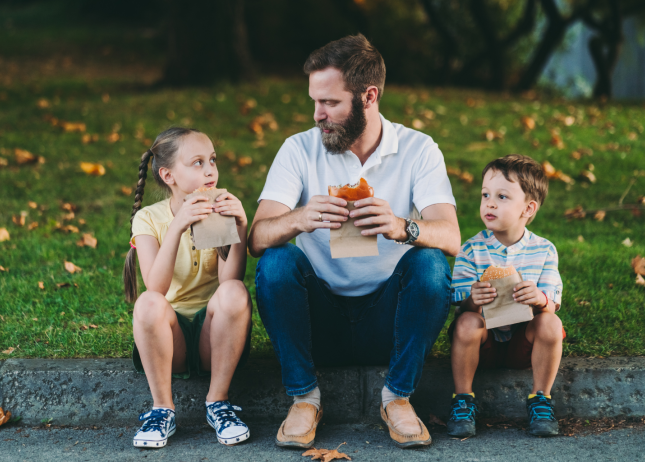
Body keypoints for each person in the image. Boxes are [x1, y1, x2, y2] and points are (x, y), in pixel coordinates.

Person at [249, 34, 460, 449]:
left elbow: (451, 236)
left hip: (390, 320)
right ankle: (304, 398)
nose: (317, 115)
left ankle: (397, 396)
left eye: (330, 103)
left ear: (368, 96)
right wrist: (300, 218)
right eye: (314, 101)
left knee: (431, 264)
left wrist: (402, 227)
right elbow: (256, 238)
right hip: (317, 320)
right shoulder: (298, 149)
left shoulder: (419, 149)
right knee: (276, 261)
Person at [122, 127, 252, 448]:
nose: (210, 170)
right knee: (147, 302)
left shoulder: (218, 207)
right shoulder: (148, 219)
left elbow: (229, 281)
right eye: (197, 163)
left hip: (216, 337)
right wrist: (178, 226)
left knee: (236, 292)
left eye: (212, 160)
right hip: (170, 341)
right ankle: (162, 409)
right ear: (168, 175)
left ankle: (218, 402)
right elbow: (156, 286)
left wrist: (240, 227)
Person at [447, 154, 564, 438]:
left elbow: (553, 300)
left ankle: (541, 400)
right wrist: (474, 297)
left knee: (551, 323)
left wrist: (538, 298)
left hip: (523, 344)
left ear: (528, 208)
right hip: (482, 343)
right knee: (466, 322)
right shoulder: (471, 249)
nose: (489, 202)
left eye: (502, 196)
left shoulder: (544, 249)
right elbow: (458, 302)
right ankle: (463, 399)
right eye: (485, 194)